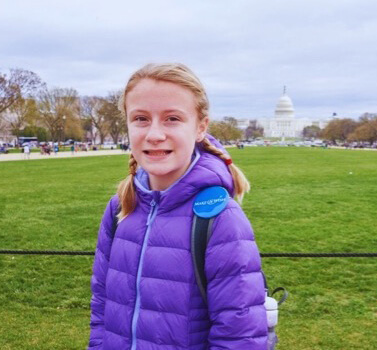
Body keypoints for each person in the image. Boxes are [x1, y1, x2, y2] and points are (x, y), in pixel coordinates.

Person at [88, 63, 268, 349]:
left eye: (172, 118)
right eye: (141, 119)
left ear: (200, 127)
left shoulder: (221, 219)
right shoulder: (121, 206)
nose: (155, 134)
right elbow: (101, 307)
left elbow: (239, 337)